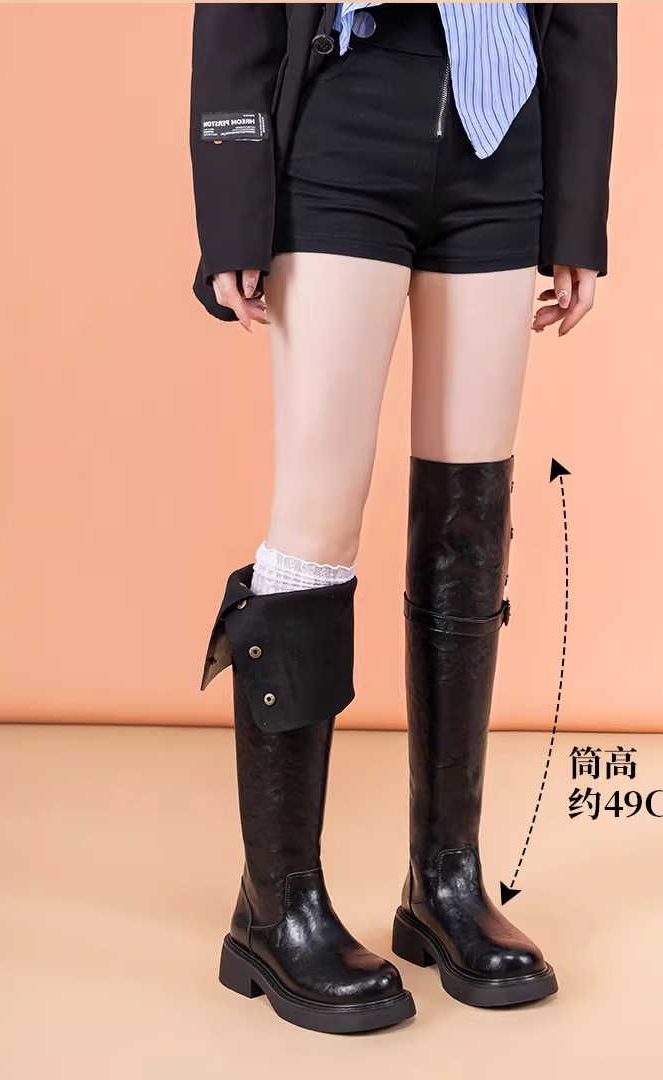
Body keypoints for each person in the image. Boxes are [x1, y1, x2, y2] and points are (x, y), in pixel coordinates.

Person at [190, 2, 617, 1034]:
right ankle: (276, 905)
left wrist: (575, 215)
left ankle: (446, 882)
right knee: (318, 517)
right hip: (347, 118)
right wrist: (234, 212)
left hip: (500, 132)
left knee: (471, 518)